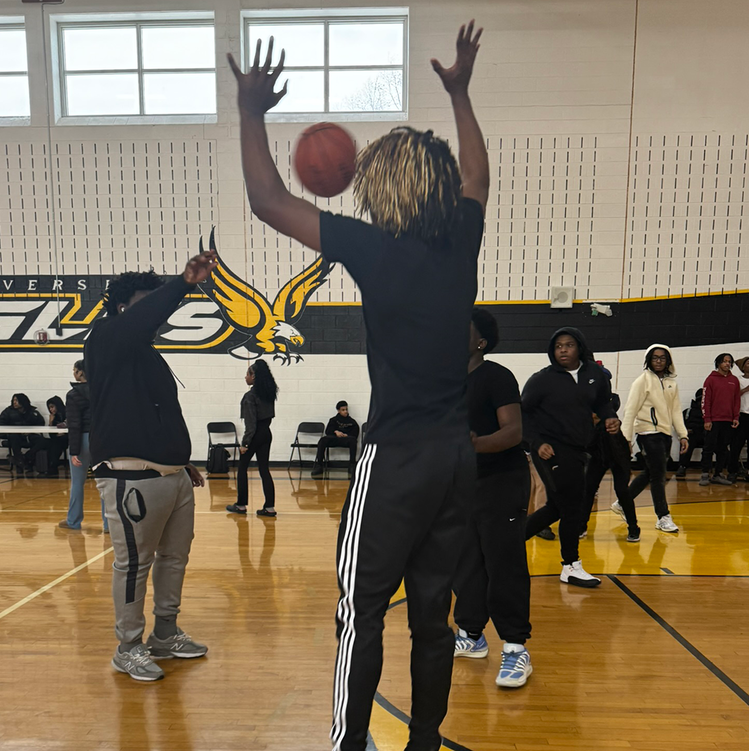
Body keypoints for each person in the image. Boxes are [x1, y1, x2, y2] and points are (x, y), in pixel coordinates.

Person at [228, 19, 487, 751]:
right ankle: (425, 743)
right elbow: (478, 177)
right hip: (455, 458)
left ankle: (347, 743)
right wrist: (462, 97)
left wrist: (251, 114)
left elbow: (269, 202)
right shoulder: (461, 236)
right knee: (432, 615)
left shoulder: (375, 246)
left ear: (388, 185)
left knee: (361, 610)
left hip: (397, 456)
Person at [85, 252, 216, 682]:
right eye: (149, 302)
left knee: (174, 559)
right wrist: (181, 285)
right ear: (124, 307)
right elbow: (143, 320)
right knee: (133, 565)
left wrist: (182, 462)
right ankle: (128, 646)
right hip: (130, 478)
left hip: (173, 477)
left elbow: (158, 412)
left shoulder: (146, 353)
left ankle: (165, 634)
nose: (158, 313)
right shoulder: (104, 338)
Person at [452, 309, 533, 688]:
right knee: (466, 564)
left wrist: (475, 446)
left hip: (501, 481)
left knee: (504, 565)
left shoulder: (497, 376)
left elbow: (513, 432)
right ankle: (471, 635)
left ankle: (516, 648)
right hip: (460, 486)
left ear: (481, 341)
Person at [522, 328, 619, 588]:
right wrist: (536, 443)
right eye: (558, 346)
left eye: (569, 345)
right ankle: (570, 565)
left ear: (580, 347)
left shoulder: (594, 375)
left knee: (557, 507)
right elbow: (522, 415)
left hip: (578, 448)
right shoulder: (541, 380)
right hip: (550, 449)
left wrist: (610, 416)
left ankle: (504, 545)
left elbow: (603, 402)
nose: (563, 350)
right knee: (572, 506)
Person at [621, 345, 688, 533]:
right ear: (648, 360)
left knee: (651, 472)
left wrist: (683, 435)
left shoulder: (671, 383)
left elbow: (675, 411)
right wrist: (626, 439)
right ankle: (663, 516)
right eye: (655, 358)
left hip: (665, 434)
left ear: (668, 361)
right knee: (658, 476)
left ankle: (622, 502)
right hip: (647, 432)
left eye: (662, 358)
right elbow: (630, 410)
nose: (658, 361)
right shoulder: (642, 381)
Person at [582, 391, 641, 542]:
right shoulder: (590, 423)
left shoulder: (610, 417)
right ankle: (581, 526)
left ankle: (633, 527)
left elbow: (614, 403)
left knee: (621, 490)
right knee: (588, 489)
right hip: (599, 457)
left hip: (619, 457)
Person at [226, 359, 278, 517]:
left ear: (253, 376)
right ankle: (269, 507)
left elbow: (251, 424)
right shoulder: (269, 393)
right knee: (264, 470)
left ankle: (241, 505)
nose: (245, 377)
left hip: (255, 435)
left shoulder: (250, 396)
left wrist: (245, 443)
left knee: (242, 468)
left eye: (247, 374)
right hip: (266, 433)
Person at [58, 360, 103, 531]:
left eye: (74, 370)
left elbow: (74, 424)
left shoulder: (73, 394)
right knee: (104, 482)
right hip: (100, 439)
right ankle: (109, 524)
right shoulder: (101, 390)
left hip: (83, 439)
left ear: (79, 373)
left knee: (78, 482)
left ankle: (73, 521)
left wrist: (74, 450)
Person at [699, 353, 740, 486]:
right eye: (724, 361)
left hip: (728, 420)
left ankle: (718, 474)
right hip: (713, 420)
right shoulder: (710, 379)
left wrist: (735, 417)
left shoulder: (734, 380)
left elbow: (736, 401)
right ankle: (705, 473)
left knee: (723, 448)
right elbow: (706, 401)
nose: (727, 364)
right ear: (718, 363)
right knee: (708, 447)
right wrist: (707, 419)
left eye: (729, 362)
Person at [0, 394, 45, 472]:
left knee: (42, 441)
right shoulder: (8, 411)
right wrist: (13, 430)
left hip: (29, 435)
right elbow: (0, 422)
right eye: (13, 400)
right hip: (15, 435)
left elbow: (41, 423)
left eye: (16, 400)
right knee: (14, 437)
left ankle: (24, 459)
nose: (14, 402)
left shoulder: (32, 412)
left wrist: (30, 431)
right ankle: (21, 461)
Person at [311, 401, 360, 477]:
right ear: (338, 411)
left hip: (346, 439)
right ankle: (319, 465)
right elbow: (328, 431)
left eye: (346, 409)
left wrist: (346, 435)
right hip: (334, 438)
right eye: (343, 410)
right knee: (323, 440)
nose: (345, 412)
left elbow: (355, 432)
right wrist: (336, 432)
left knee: (353, 441)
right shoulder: (333, 420)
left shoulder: (352, 422)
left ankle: (352, 465)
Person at [26, 396, 68, 475]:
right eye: (49, 408)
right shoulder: (53, 417)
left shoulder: (67, 413)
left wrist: (64, 433)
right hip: (56, 440)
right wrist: (51, 423)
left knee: (53, 444)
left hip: (66, 439)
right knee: (44, 442)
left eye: (52, 407)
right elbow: (52, 435)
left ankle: (27, 457)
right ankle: (51, 466)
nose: (51, 410)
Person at [727, 356, 749, 482]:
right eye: (748, 363)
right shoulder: (737, 380)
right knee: (736, 445)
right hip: (741, 415)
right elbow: (733, 396)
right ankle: (732, 471)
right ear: (743, 366)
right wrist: (746, 390)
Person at [675, 388, 705, 479]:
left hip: (706, 435)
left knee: (719, 445)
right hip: (692, 436)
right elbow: (679, 425)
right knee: (686, 442)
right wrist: (685, 432)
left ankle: (709, 469)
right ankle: (682, 467)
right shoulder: (688, 412)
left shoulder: (711, 412)